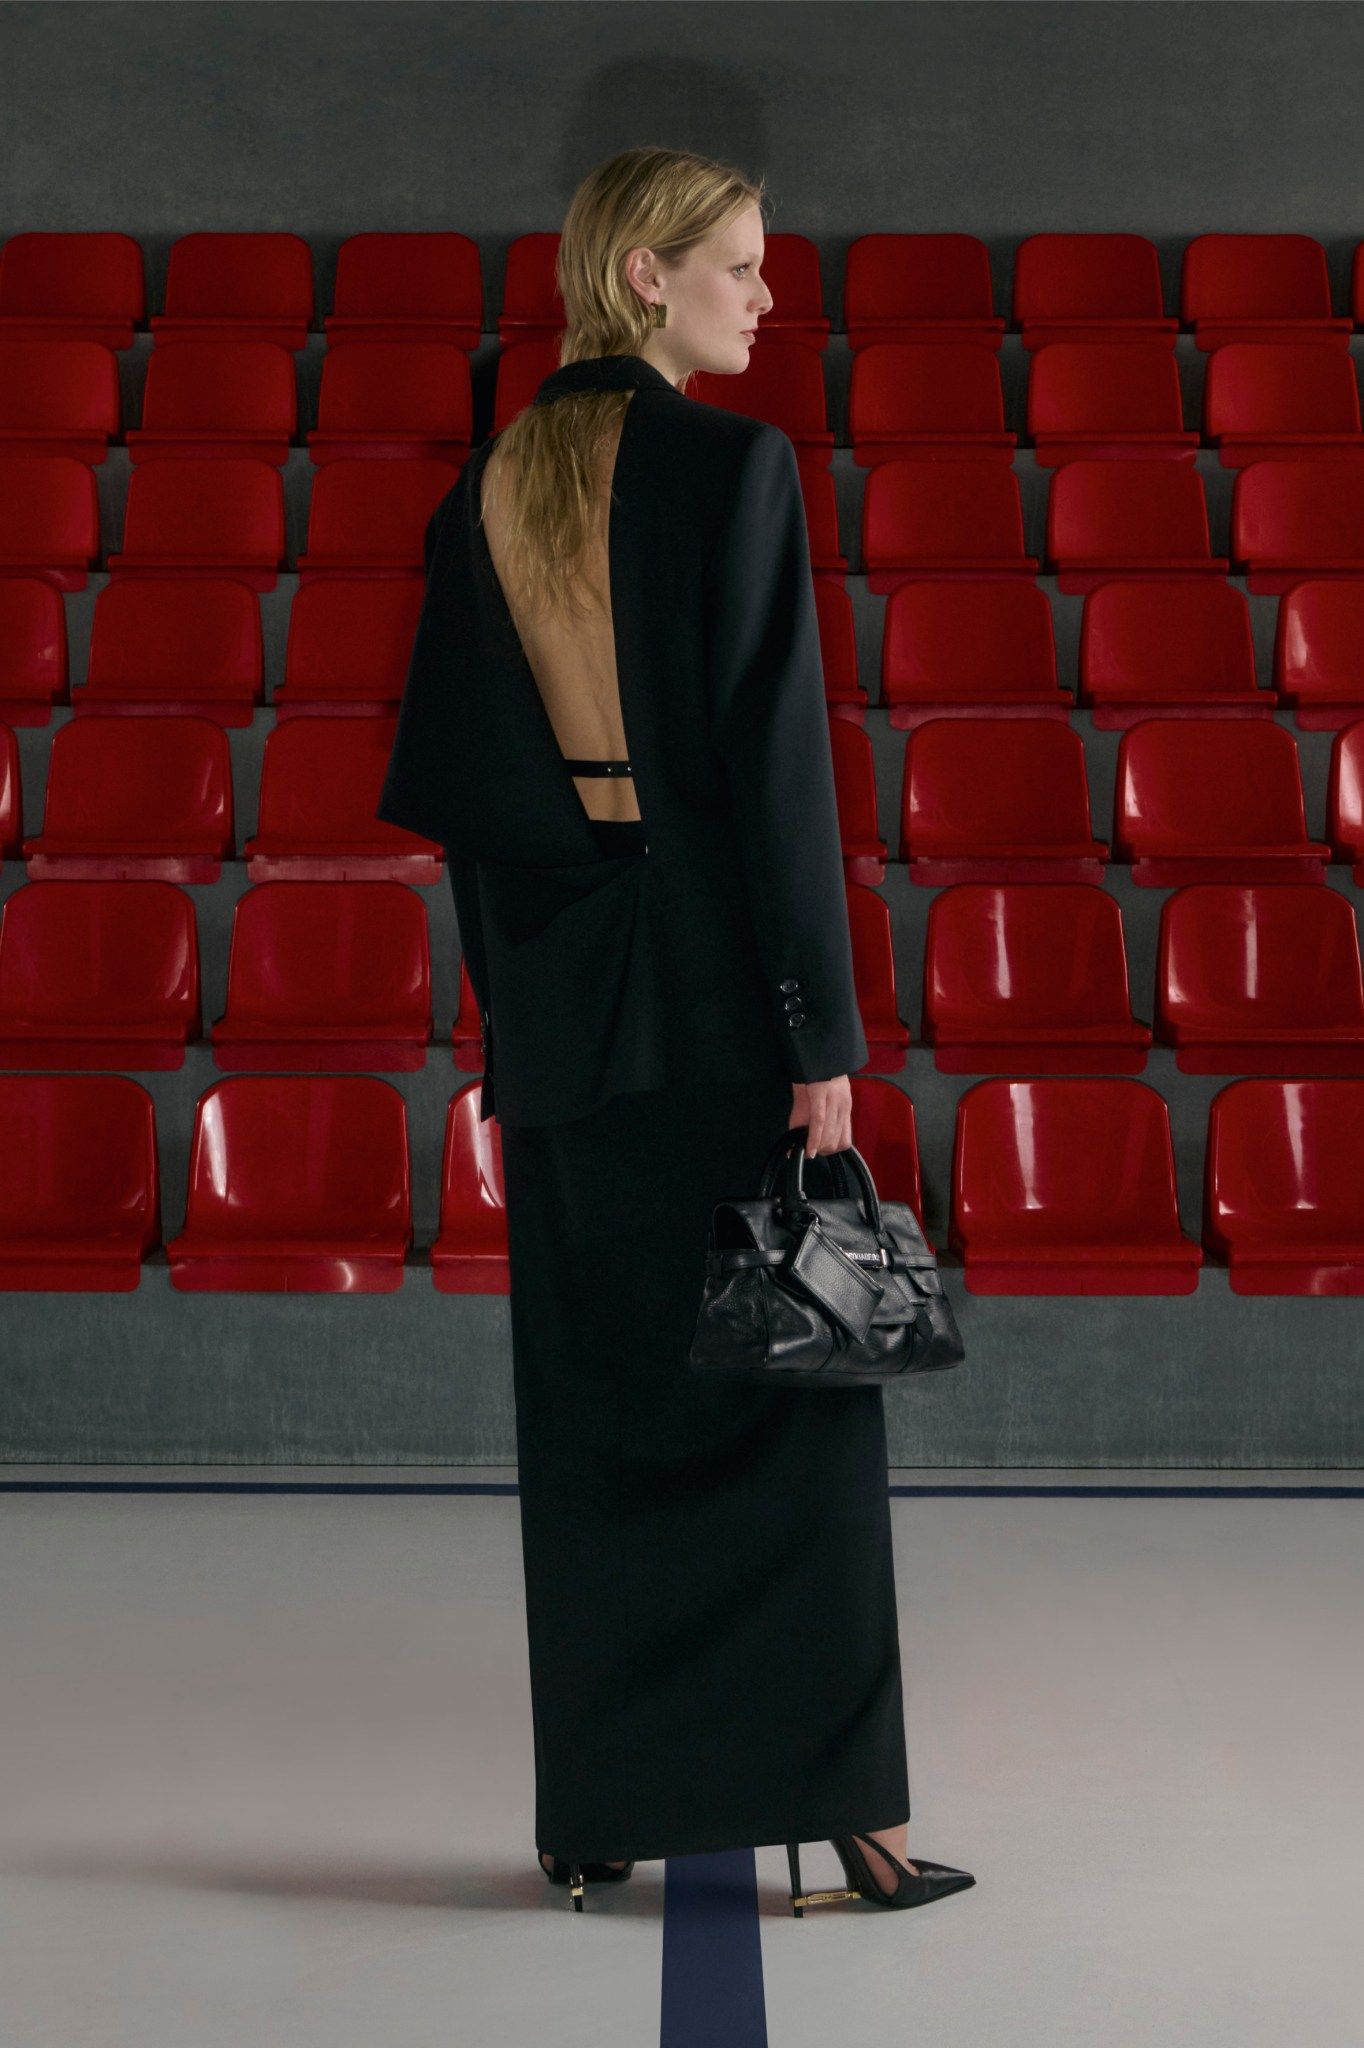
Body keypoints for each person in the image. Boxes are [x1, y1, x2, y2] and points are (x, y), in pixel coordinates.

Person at [376, 145, 973, 1915]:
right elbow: (778, 774)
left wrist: (514, 1026)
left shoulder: (490, 480)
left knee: (598, 1405)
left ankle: (599, 1812)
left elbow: (469, 800)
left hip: (566, 999)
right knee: (795, 1396)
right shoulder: (734, 466)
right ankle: (847, 1818)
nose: (766, 299)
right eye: (740, 266)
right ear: (645, 273)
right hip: (720, 995)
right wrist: (819, 1032)